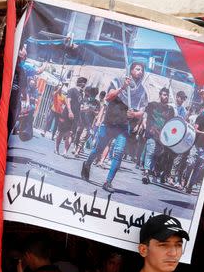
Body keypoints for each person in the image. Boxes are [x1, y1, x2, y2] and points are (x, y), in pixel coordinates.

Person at [80, 62, 147, 191]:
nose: (140, 72)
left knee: (119, 153)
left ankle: (108, 182)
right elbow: (109, 98)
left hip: (123, 126)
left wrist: (133, 114)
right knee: (98, 149)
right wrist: (122, 88)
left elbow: (142, 112)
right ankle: (87, 164)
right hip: (109, 122)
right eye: (137, 69)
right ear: (131, 70)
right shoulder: (118, 81)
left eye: (142, 70)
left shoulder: (141, 91)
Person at [142, 87, 175, 183]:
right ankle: (146, 172)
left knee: (157, 155)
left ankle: (151, 171)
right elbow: (144, 112)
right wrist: (143, 125)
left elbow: (170, 124)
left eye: (167, 95)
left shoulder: (170, 109)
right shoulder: (152, 105)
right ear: (160, 95)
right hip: (152, 133)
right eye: (164, 95)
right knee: (150, 152)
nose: (166, 97)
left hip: (162, 136)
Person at [55, 77, 86, 156]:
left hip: (75, 117)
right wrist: (69, 111)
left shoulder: (81, 94)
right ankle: (56, 148)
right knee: (61, 132)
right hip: (67, 114)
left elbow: (80, 106)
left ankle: (65, 152)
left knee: (71, 134)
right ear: (81, 83)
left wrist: (80, 116)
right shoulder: (72, 90)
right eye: (84, 83)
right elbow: (68, 101)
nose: (85, 85)